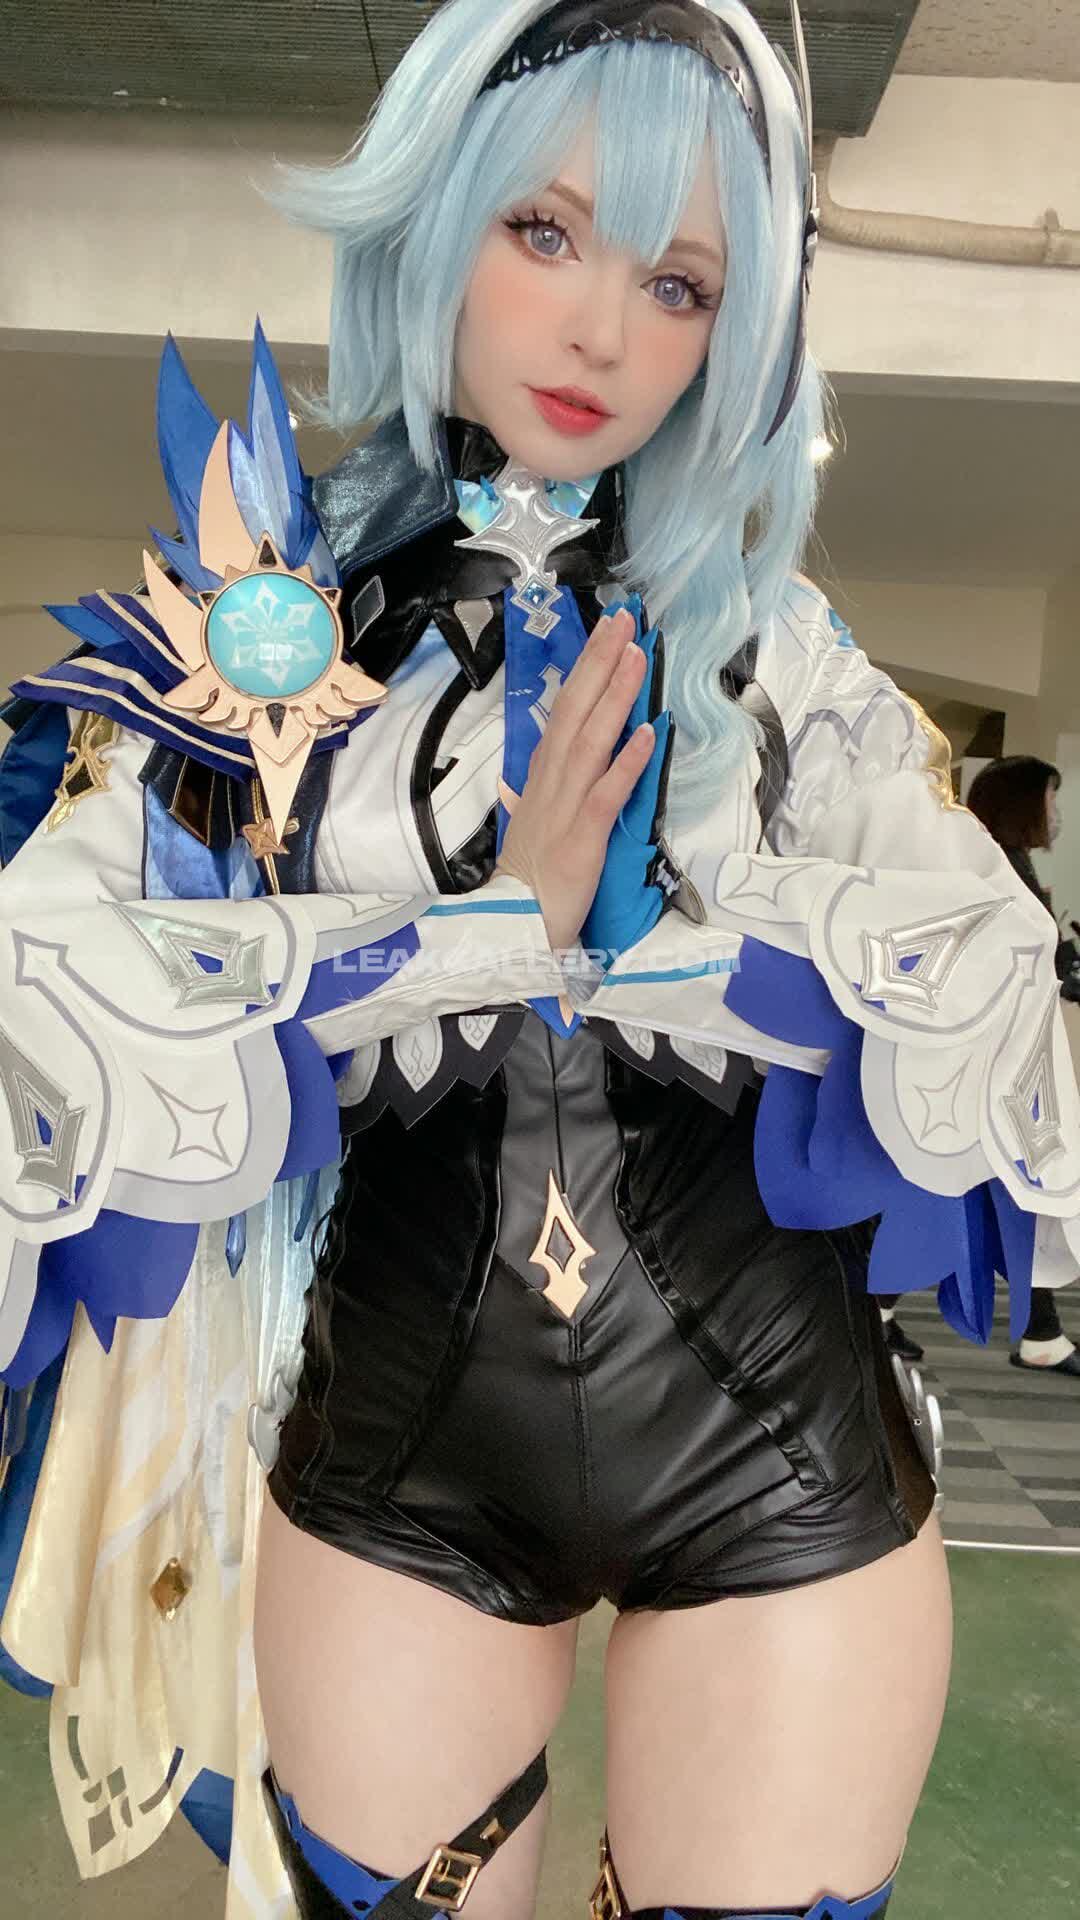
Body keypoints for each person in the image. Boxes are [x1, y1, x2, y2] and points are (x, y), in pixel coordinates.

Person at [1, 7, 1079, 1920]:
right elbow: (61, 975)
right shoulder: (260, 634)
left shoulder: (778, 658)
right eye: (547, 232)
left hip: (781, 1454)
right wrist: (472, 935)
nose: (601, 335)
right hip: (399, 1463)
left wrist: (691, 955)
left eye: (679, 285)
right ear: (435, 222)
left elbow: (999, 986)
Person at [967, 755, 1080, 1378]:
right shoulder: (997, 867)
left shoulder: (1009, 864)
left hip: (1013, 1052)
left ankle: (1042, 1331)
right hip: (1001, 1056)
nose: (1055, 815)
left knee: (1016, 1185)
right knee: (1009, 1183)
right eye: (1050, 801)